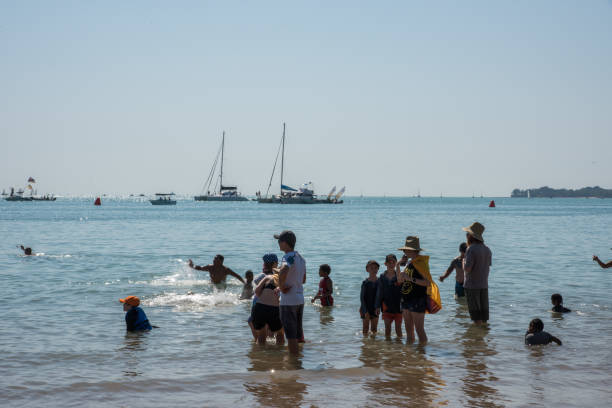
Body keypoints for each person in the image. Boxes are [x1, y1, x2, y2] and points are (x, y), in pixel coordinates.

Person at [274, 230, 306, 355]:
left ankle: (294, 364)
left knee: (290, 336)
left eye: (279, 241)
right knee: (297, 334)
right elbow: (303, 279)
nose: (278, 244)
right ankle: (297, 360)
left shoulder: (287, 257)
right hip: (300, 299)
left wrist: (281, 287)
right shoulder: (301, 258)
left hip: (288, 301)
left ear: (285, 243)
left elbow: (284, 270)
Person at [396, 237, 430, 343]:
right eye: (404, 250)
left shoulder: (421, 263)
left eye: (406, 250)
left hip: (418, 299)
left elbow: (427, 282)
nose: (404, 252)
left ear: (414, 250)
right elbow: (399, 280)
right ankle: (410, 356)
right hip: (406, 299)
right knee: (408, 330)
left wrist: (410, 278)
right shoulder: (409, 263)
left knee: (419, 329)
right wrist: (398, 264)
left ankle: (422, 354)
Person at [462, 222, 492, 325]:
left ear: (471, 236)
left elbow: (467, 269)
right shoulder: (487, 249)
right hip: (484, 285)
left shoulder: (471, 249)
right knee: (484, 316)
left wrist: (463, 261)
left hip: (472, 286)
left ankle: (477, 339)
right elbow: (487, 267)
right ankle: (482, 337)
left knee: (476, 317)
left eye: (467, 234)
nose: (466, 236)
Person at [248, 254, 279, 340]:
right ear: (274, 264)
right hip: (270, 306)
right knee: (270, 334)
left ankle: (260, 349)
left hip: (258, 306)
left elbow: (257, 287)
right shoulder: (276, 277)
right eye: (277, 262)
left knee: (259, 337)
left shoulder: (261, 276)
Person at [252, 270, 285, 345]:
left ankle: (261, 354)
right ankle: (279, 353)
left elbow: (257, 291)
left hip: (259, 307)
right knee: (280, 333)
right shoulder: (285, 281)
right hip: (274, 309)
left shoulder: (267, 277)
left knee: (262, 334)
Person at [375, 254, 403, 338]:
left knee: (398, 328)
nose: (391, 264)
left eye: (393, 262)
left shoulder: (399, 276)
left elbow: (404, 291)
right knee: (387, 328)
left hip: (398, 307)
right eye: (389, 262)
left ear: (396, 263)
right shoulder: (382, 277)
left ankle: (399, 347)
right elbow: (379, 292)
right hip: (386, 306)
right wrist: (377, 306)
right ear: (385, 264)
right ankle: (388, 348)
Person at [360, 260, 380, 335]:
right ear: (367, 269)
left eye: (375, 268)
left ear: (378, 269)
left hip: (375, 308)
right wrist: (364, 310)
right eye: (371, 268)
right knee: (365, 328)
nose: (374, 269)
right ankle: (365, 344)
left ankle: (373, 345)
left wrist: (378, 307)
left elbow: (380, 296)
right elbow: (362, 297)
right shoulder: (365, 283)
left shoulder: (380, 282)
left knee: (374, 329)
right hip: (366, 308)